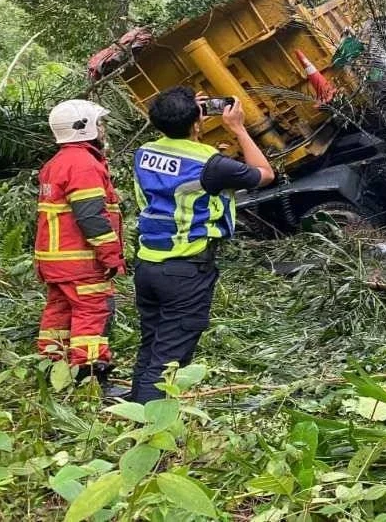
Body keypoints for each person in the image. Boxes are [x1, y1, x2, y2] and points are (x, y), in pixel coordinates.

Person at [130, 86, 274, 402]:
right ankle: (148, 427)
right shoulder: (210, 163)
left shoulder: (143, 153)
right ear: (197, 122)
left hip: (147, 263)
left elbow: (177, 161)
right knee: (169, 356)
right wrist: (237, 127)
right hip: (185, 268)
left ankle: (132, 407)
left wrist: (187, 118)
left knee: (152, 341)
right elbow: (265, 174)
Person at [35, 99, 127, 396]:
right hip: (81, 262)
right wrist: (111, 255)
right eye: (99, 124)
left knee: (58, 316)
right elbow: (91, 216)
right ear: (84, 127)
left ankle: (53, 371)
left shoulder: (56, 163)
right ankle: (90, 380)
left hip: (55, 260)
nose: (103, 130)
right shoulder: (83, 165)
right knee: (91, 313)